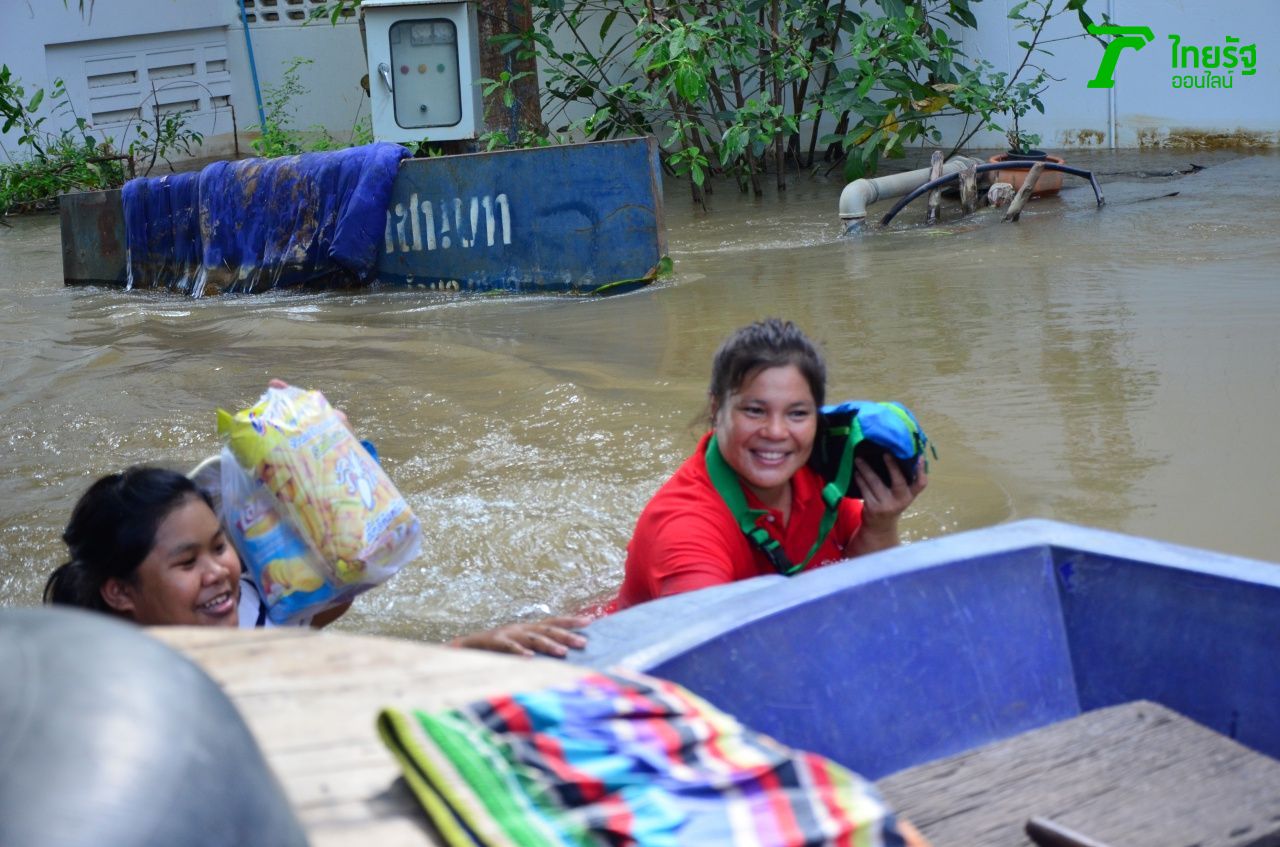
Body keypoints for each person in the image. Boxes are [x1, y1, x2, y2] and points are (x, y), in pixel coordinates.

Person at [44, 466, 588, 656]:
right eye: (187, 563)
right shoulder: (132, 681)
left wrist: (311, 429)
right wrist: (459, 653)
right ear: (120, 592)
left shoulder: (258, 601)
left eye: (218, 547)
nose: (218, 573)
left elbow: (331, 594)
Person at [612, 318, 928, 610]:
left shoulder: (819, 475)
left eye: (798, 413)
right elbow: (713, 656)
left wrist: (880, 523)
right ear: (716, 408)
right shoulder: (686, 531)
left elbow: (874, 596)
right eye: (754, 410)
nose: (777, 433)